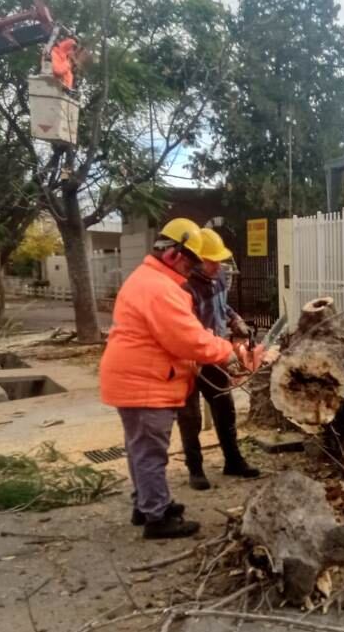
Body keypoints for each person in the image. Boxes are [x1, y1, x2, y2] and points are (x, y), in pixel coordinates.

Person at [99, 218, 263, 540]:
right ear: (174, 254)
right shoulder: (159, 288)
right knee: (150, 451)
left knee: (140, 448)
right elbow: (187, 338)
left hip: (139, 378)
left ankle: (147, 503)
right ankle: (157, 518)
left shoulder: (152, 280)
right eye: (190, 262)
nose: (192, 270)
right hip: (145, 381)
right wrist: (228, 352)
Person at [176, 228, 261, 490]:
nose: (217, 265)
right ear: (196, 259)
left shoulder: (221, 276)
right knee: (190, 415)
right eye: (212, 261)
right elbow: (179, 325)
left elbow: (222, 307)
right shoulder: (183, 286)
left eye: (219, 260)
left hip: (214, 354)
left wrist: (235, 320)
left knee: (225, 407)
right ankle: (195, 469)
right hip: (189, 359)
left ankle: (233, 461)